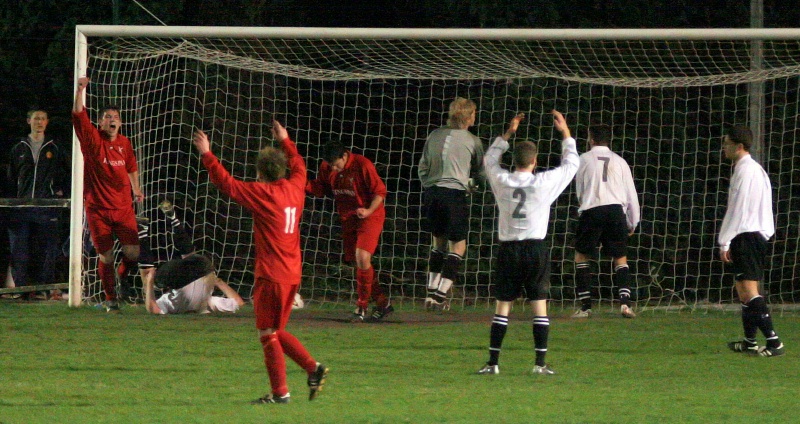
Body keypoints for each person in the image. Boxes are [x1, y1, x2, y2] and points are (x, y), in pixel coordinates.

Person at [193, 121, 327, 404]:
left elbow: (226, 184)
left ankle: (280, 394)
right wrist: (286, 140)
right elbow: (300, 164)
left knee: (267, 333)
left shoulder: (263, 193)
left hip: (272, 274)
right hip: (292, 272)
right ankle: (313, 369)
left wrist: (207, 154)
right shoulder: (296, 185)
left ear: (260, 172)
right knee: (277, 331)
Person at [477, 110, 579, 376]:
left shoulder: (502, 180)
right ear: (535, 161)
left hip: (508, 250)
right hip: (535, 250)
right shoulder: (543, 183)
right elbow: (571, 165)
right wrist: (565, 133)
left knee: (503, 307)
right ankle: (539, 364)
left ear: (514, 160)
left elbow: (488, 160)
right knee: (539, 306)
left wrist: (508, 134)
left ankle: (493, 363)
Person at [72, 77, 143, 311]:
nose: (112, 121)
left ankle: (122, 278)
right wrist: (80, 90)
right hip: (98, 209)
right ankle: (111, 299)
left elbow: (131, 167)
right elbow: (78, 115)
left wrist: (136, 188)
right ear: (100, 123)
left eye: (115, 118)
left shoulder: (125, 143)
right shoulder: (93, 141)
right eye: (107, 118)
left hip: (123, 208)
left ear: (120, 123)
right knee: (106, 257)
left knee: (133, 253)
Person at [306, 141, 392, 322]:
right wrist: (300, 184)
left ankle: (361, 307)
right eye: (331, 166)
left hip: (370, 214)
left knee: (362, 257)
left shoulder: (363, 165)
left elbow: (380, 192)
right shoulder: (327, 166)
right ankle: (383, 303)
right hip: (349, 217)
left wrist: (368, 210)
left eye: (336, 164)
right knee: (358, 262)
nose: (334, 168)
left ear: (345, 156)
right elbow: (320, 188)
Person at [720, 126, 784, 357]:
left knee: (749, 291)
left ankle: (774, 342)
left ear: (739, 146)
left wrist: (724, 240)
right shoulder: (750, 169)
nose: (723, 147)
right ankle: (749, 342)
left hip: (747, 235)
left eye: (727, 143)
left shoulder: (747, 171)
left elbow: (738, 209)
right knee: (743, 291)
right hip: (751, 234)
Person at [418, 97, 484, 310]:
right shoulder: (473, 140)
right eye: (473, 113)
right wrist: (474, 186)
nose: (475, 116)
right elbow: (481, 172)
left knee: (437, 243)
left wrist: (430, 186)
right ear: (467, 117)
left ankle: (430, 294)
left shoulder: (434, 135)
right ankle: (439, 296)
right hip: (454, 195)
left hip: (431, 194)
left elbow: (422, 168)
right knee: (458, 246)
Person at [571, 124, 640, 319]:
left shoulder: (583, 159)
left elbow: (580, 190)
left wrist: (584, 205)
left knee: (582, 256)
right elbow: (631, 194)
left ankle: (585, 307)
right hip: (615, 211)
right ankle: (625, 305)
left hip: (592, 210)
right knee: (620, 257)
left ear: (591, 139)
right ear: (608, 140)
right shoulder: (620, 161)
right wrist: (632, 222)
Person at [132, 201, 245, 314]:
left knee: (190, 256)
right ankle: (143, 231)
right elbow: (153, 309)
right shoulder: (192, 303)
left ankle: (173, 219)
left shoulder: (205, 302)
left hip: (204, 269)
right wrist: (150, 281)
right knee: (148, 275)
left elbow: (238, 302)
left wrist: (216, 280)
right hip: (192, 273)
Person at [7, 109, 69, 300]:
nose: (39, 122)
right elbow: (10, 178)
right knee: (19, 250)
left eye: (42, 119)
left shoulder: (55, 147)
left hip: (46, 207)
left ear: (47, 122)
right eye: (36, 119)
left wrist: (61, 192)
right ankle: (21, 289)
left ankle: (44, 288)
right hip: (21, 208)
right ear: (29, 121)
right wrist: (13, 201)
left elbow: (68, 172)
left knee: (47, 250)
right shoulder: (18, 147)